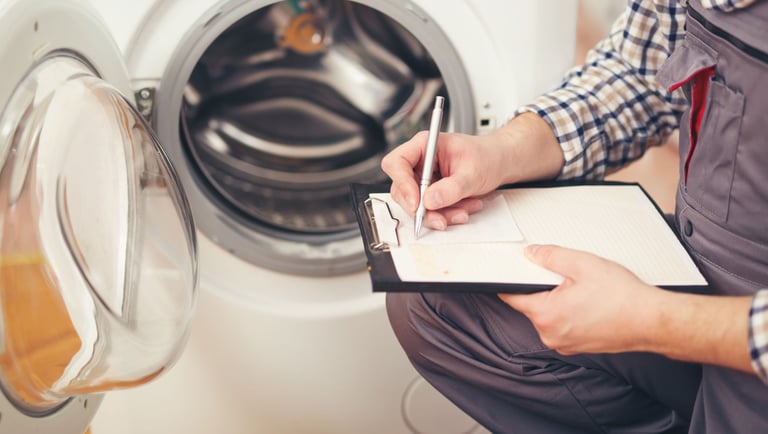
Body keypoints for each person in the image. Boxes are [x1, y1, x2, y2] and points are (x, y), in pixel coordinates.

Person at [380, 0, 768, 432]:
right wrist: (504, 151)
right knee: (439, 306)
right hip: (704, 275)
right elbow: (642, 71)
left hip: (751, 347)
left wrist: (654, 321)